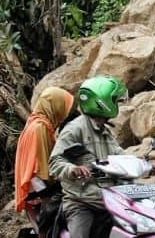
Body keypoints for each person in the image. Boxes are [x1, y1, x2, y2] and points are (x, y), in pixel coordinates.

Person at [48, 76, 127, 238]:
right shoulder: (74, 129)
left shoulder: (106, 131)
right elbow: (55, 162)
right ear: (102, 102)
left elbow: (120, 155)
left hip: (109, 198)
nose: (117, 104)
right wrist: (72, 169)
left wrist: (144, 164)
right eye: (114, 100)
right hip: (81, 203)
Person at [15, 87, 75, 236]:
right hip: (39, 188)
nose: (64, 112)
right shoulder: (39, 128)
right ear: (54, 106)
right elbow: (40, 166)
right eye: (62, 106)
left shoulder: (37, 123)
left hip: (34, 185)